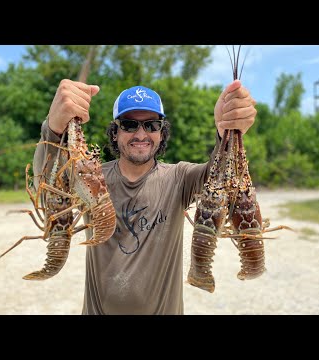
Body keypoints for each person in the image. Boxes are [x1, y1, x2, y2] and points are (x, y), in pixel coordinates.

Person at [33, 79, 257, 315]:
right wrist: (54, 129)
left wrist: (226, 133)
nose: (141, 134)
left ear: (162, 132)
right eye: (130, 124)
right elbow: (46, 185)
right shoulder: (92, 176)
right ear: (115, 131)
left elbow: (221, 179)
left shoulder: (179, 178)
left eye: (151, 125)